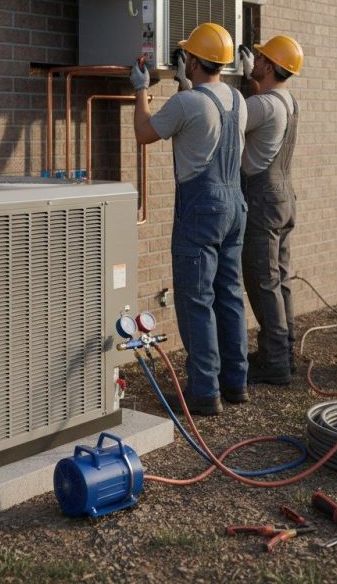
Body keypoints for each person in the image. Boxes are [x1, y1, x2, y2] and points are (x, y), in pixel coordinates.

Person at [130, 23, 248, 416]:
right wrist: (186, 86)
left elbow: (145, 133)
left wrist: (140, 89)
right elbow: (202, 123)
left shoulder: (187, 104)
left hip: (201, 208)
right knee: (229, 294)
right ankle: (235, 382)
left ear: (193, 61)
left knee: (196, 299)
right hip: (235, 206)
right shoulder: (237, 98)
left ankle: (203, 391)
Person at [237, 35, 304, 385]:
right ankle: (283, 353)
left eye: (261, 57)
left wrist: (240, 82)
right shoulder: (288, 101)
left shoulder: (264, 105)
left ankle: (274, 362)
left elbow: (232, 118)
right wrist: (252, 82)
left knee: (263, 281)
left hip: (263, 199)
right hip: (284, 197)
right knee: (280, 279)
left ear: (270, 66)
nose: (257, 58)